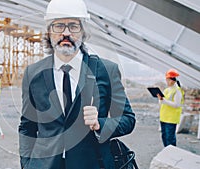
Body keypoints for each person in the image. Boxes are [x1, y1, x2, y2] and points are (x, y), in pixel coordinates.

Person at [18, 0, 136, 168]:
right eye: (58, 26)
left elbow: (128, 119)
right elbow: (27, 127)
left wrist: (100, 124)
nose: (66, 33)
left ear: (83, 32)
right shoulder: (33, 74)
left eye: (73, 26)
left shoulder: (106, 70)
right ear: (49, 32)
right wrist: (27, 165)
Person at [157, 68, 184, 147]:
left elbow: (177, 104)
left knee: (170, 139)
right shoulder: (166, 90)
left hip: (171, 119)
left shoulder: (177, 91)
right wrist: (160, 100)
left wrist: (164, 100)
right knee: (164, 137)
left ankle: (172, 155)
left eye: (168, 80)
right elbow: (162, 103)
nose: (167, 82)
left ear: (173, 80)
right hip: (164, 118)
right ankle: (167, 153)